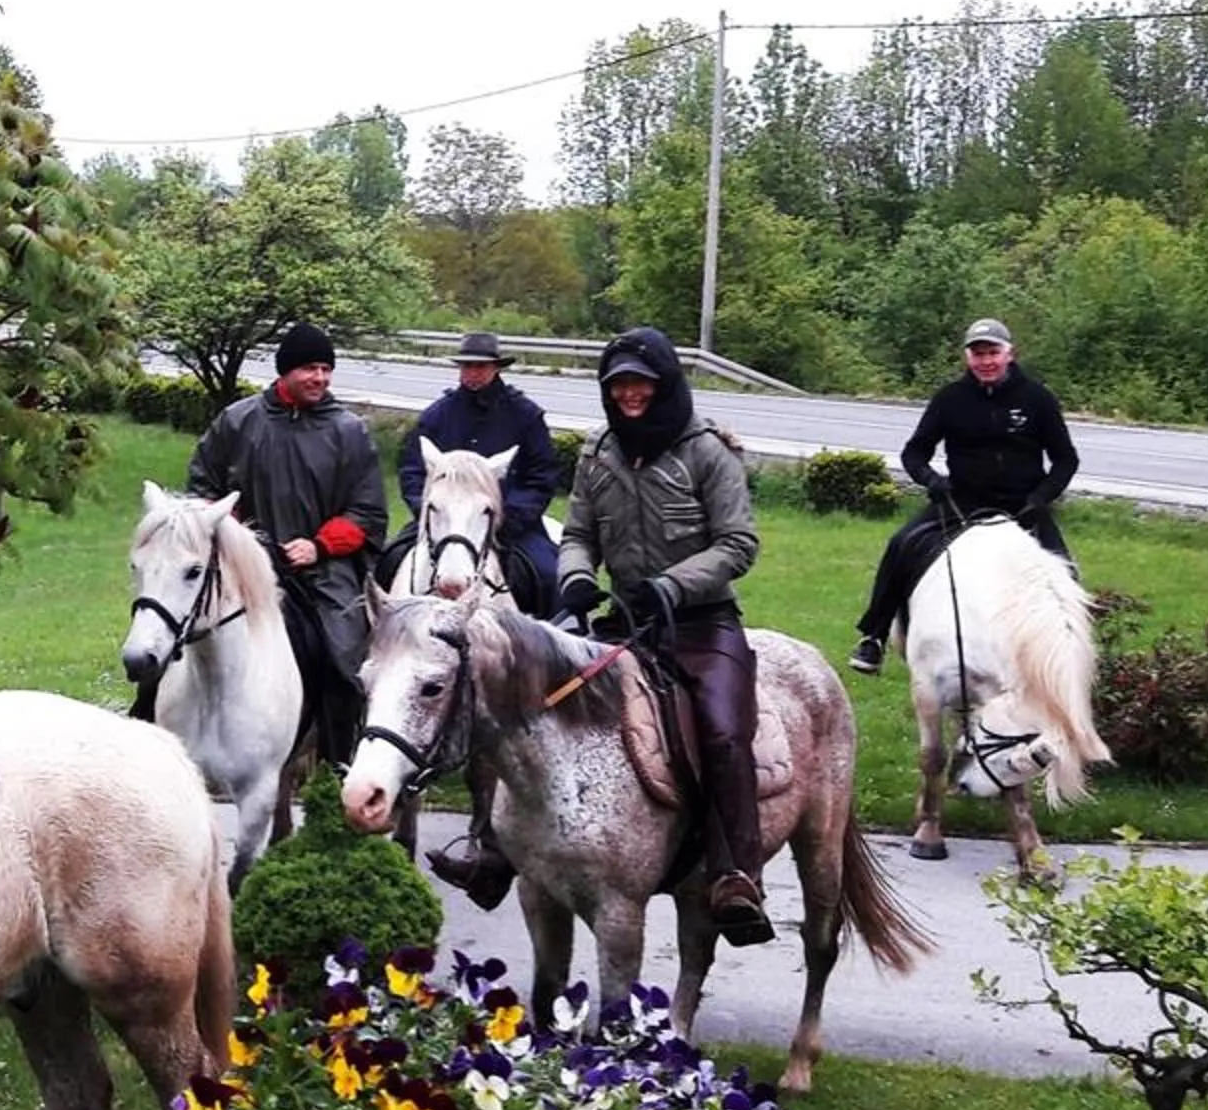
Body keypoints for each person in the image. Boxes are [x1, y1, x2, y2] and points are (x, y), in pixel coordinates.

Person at [555, 326, 773, 947]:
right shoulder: (597, 452)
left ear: (666, 385)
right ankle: (502, 849)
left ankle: (736, 874)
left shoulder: (708, 452)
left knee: (726, 734)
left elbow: (739, 544)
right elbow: (578, 535)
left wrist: (673, 586)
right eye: (618, 383)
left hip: (702, 624)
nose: (629, 394)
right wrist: (574, 577)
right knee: (536, 701)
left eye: (640, 384)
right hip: (623, 622)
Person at [187, 322, 389, 752]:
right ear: (284, 373)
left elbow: (367, 512)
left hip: (322, 571)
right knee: (175, 633)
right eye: (309, 369)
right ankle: (152, 728)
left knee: (345, 658)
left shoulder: (349, 431)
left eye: (325, 369)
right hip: (242, 566)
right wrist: (239, 538)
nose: (319, 378)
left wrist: (318, 545)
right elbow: (203, 491)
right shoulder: (238, 421)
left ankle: (340, 760)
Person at [847, 317, 1081, 676]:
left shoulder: (1037, 399)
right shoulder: (950, 399)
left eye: (993, 353)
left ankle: (1073, 656)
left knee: (1066, 575)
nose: (986, 361)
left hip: (1023, 508)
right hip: (961, 504)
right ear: (967, 357)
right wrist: (931, 480)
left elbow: (1066, 460)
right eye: (978, 354)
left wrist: (1041, 497)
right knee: (900, 545)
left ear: (1010, 353)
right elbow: (914, 453)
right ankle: (874, 637)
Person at [395, 330, 562, 605]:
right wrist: (429, 511)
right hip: (442, 522)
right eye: (467, 366)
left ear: (496, 367)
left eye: (480, 366)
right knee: (389, 560)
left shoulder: (526, 416)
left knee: (548, 573)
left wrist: (506, 519)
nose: (473, 373)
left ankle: (558, 633)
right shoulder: (437, 416)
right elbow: (412, 471)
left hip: (511, 525)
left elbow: (541, 477)